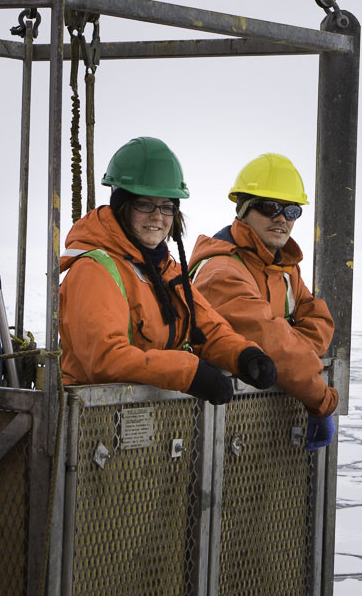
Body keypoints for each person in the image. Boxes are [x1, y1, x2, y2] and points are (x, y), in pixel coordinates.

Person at [59, 136, 278, 404]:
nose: (157, 216)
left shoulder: (166, 269)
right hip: (91, 417)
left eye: (167, 207)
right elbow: (105, 358)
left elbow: (206, 329)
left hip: (147, 416)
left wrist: (244, 356)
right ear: (121, 205)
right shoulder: (93, 271)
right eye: (144, 204)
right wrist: (188, 372)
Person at [188, 153, 337, 451]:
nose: (281, 218)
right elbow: (271, 343)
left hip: (257, 428)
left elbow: (320, 323)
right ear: (244, 209)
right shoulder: (221, 271)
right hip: (209, 429)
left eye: (291, 210)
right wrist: (322, 401)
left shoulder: (283, 268)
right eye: (270, 207)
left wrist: (288, 344)